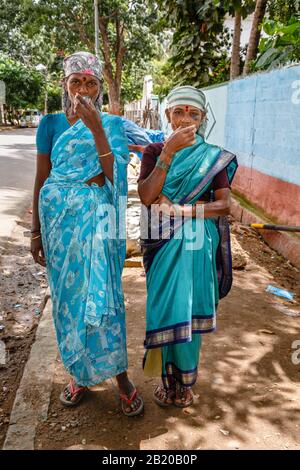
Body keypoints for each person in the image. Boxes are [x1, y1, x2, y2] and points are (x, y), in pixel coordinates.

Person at [31, 51, 143, 416]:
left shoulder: (111, 124)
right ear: (65, 84)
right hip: (58, 225)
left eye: (90, 83)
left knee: (106, 299)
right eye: (75, 81)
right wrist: (35, 231)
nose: (83, 89)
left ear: (98, 88)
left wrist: (96, 129)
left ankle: (121, 379)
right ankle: (80, 373)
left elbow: (115, 179)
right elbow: (41, 177)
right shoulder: (49, 125)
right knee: (69, 302)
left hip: (96, 224)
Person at [138, 85, 238, 408]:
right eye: (179, 111)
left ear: (202, 119)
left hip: (196, 245)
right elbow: (145, 196)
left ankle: (184, 385)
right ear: (168, 115)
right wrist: (167, 153)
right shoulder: (154, 151)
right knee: (166, 306)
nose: (185, 119)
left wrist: (183, 210)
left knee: (188, 310)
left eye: (193, 114)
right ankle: (168, 383)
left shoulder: (212, 157)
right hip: (160, 243)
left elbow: (224, 206)